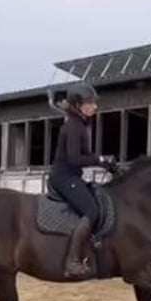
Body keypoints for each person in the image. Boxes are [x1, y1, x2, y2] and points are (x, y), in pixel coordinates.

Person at [49, 82, 117, 278]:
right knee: (91, 210)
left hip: (71, 176)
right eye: (90, 103)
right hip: (63, 177)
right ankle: (72, 261)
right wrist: (99, 159)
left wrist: (105, 163)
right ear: (78, 105)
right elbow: (75, 159)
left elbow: (86, 155)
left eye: (94, 103)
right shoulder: (73, 127)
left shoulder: (80, 125)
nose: (95, 106)